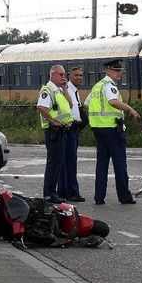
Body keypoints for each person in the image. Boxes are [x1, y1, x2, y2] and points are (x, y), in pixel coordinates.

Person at [87, 59, 141, 205]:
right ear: (109, 71)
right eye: (117, 71)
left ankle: (99, 197)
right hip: (112, 129)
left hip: (98, 130)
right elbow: (112, 101)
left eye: (120, 71)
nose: (119, 74)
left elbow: (87, 104)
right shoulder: (110, 86)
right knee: (119, 163)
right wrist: (130, 109)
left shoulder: (97, 86)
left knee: (102, 164)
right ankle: (124, 196)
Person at [36, 65, 73, 204]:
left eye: (65, 75)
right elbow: (41, 107)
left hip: (61, 131)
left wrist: (65, 89)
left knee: (57, 163)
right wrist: (53, 121)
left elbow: (70, 105)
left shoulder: (58, 90)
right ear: (52, 75)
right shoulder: (48, 90)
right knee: (53, 163)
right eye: (61, 74)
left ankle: (52, 192)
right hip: (54, 131)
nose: (64, 77)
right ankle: (49, 193)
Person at [58, 66, 85, 202]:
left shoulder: (75, 91)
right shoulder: (66, 90)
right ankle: (72, 192)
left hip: (75, 129)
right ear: (69, 76)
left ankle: (63, 191)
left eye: (80, 75)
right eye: (76, 75)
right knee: (70, 162)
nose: (79, 78)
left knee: (67, 161)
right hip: (69, 129)